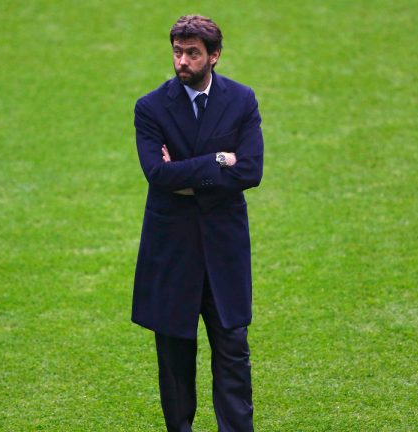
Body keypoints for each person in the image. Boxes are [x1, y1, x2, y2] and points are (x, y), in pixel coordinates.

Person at [131, 14, 264, 432]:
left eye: (192, 53)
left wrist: (186, 176)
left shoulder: (242, 101)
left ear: (214, 57)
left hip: (224, 253)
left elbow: (252, 172)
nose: (182, 61)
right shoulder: (150, 108)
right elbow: (158, 175)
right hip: (172, 254)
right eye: (177, 52)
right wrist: (218, 161)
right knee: (174, 363)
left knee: (233, 356)